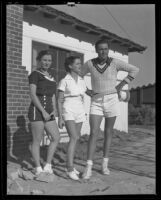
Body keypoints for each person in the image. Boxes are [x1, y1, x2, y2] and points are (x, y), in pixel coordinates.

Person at [80, 38, 139, 179]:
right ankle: (88, 167)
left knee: (108, 132)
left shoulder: (115, 62)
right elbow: (78, 76)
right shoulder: (89, 64)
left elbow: (135, 70)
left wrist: (120, 85)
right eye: (101, 49)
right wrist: (86, 90)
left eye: (106, 49)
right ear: (96, 50)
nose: (103, 51)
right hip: (96, 101)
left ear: (108, 50)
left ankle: (104, 164)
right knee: (94, 132)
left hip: (112, 100)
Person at [57, 56, 91, 180]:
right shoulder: (64, 80)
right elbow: (59, 100)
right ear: (70, 66)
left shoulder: (82, 80)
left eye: (80, 63)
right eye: (77, 64)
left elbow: (88, 93)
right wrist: (60, 118)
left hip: (80, 109)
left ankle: (70, 165)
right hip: (68, 108)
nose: (80, 65)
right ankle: (69, 168)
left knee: (76, 138)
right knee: (73, 137)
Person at [28, 50, 60, 175]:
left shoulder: (52, 77)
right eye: (45, 60)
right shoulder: (34, 74)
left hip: (49, 112)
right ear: (39, 60)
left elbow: (52, 95)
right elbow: (32, 94)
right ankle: (37, 167)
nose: (47, 62)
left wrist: (54, 109)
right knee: (37, 140)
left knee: (56, 137)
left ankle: (48, 164)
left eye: (49, 60)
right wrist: (43, 111)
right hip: (37, 111)